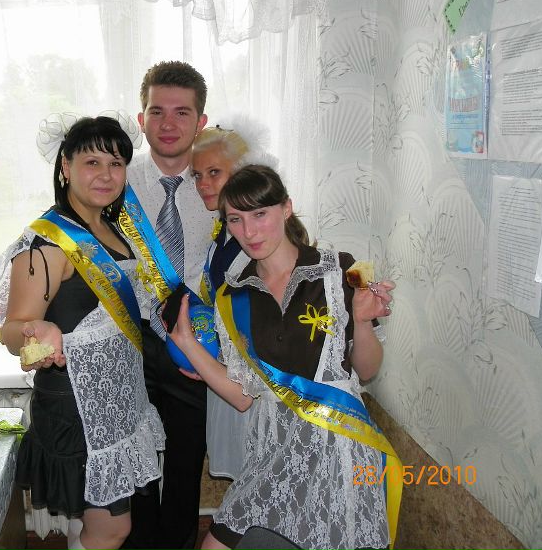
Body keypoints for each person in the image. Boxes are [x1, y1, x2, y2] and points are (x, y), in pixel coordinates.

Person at [168, 164, 399, 550]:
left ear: (286, 208)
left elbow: (368, 368)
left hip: (338, 450)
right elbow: (244, 395)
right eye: (236, 219)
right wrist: (190, 345)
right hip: (272, 454)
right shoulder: (231, 296)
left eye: (260, 214)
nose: (249, 232)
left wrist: (360, 321)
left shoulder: (341, 268)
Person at [0, 115, 165, 550]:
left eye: (116, 164)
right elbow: (12, 330)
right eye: (92, 162)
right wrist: (35, 331)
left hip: (119, 396)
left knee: (90, 524)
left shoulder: (113, 228)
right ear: (65, 166)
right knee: (113, 529)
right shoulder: (48, 243)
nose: (106, 175)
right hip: (78, 405)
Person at [122, 61, 212, 550]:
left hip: (194, 342)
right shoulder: (117, 180)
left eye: (182, 112)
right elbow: (59, 227)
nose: (168, 124)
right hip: (129, 336)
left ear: (201, 121)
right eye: (157, 111)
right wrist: (3, 295)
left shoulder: (219, 181)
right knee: (135, 461)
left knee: (185, 461)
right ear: (142, 119)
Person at [190, 118, 276, 480]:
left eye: (214, 172)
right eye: (197, 175)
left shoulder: (260, 241)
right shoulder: (224, 231)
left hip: (259, 386)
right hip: (229, 373)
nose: (203, 184)